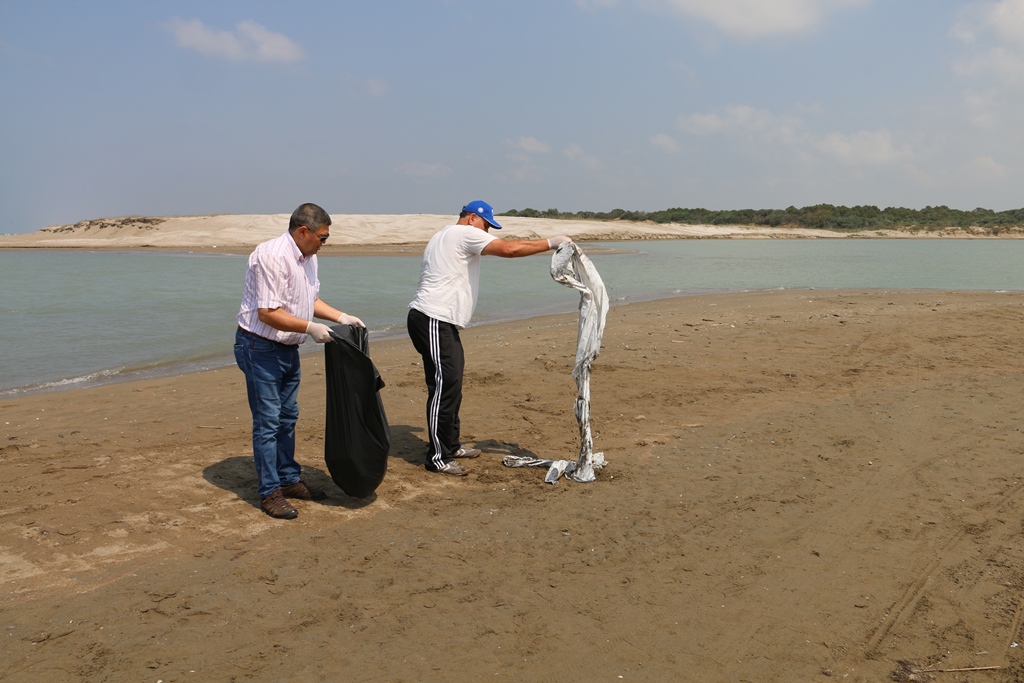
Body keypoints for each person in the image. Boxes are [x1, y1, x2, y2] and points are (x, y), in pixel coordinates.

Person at [407, 200, 571, 476]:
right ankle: (438, 457)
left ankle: (451, 445)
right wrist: (552, 242)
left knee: (452, 384)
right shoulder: (462, 233)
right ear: (472, 218)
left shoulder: (443, 236)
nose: (487, 232)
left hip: (437, 321)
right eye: (486, 225)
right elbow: (508, 249)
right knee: (444, 388)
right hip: (433, 318)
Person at [235, 202, 365, 519]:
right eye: (322, 237)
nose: (324, 243)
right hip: (259, 347)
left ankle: (289, 479)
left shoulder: (309, 257)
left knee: (287, 417)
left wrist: (341, 316)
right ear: (303, 231)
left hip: (287, 349)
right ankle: (270, 493)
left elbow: (309, 298)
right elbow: (268, 312)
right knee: (268, 422)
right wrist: (310, 328)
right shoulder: (272, 256)